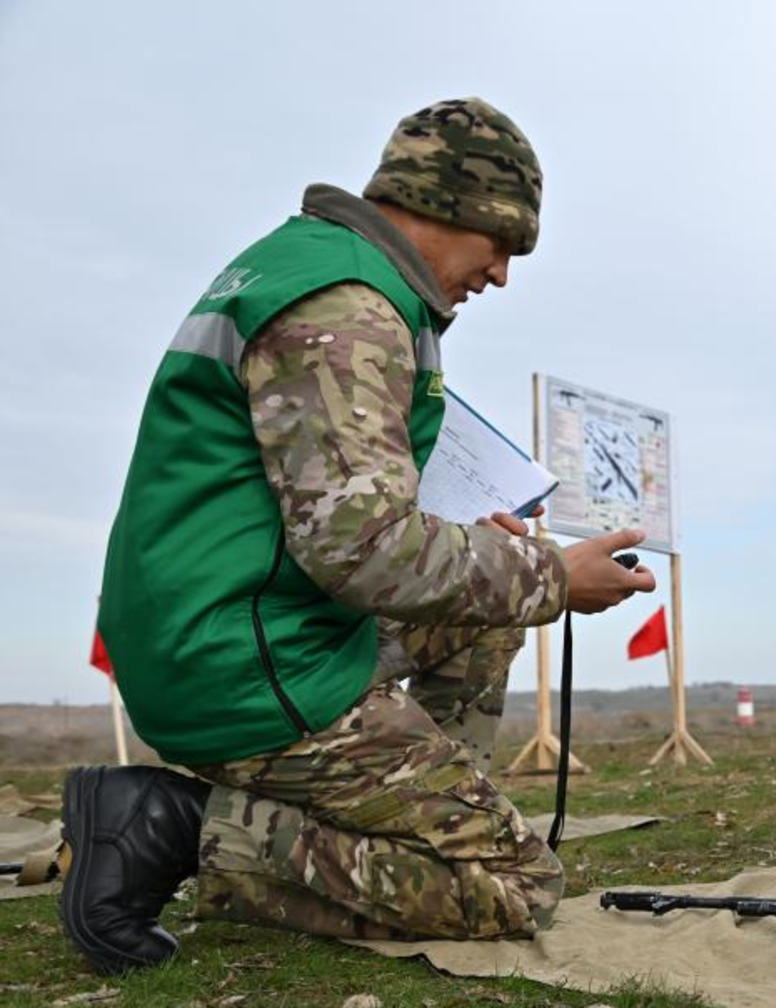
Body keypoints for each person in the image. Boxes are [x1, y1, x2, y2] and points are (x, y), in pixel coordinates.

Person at [64, 98, 657, 976]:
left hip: (232, 631)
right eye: (502, 246)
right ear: (460, 206)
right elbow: (365, 549)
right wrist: (547, 575)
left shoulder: (308, 269)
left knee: (480, 608)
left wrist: (496, 567)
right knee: (509, 887)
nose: (498, 275)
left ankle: (407, 806)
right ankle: (180, 827)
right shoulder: (348, 308)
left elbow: (334, 525)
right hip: (246, 667)